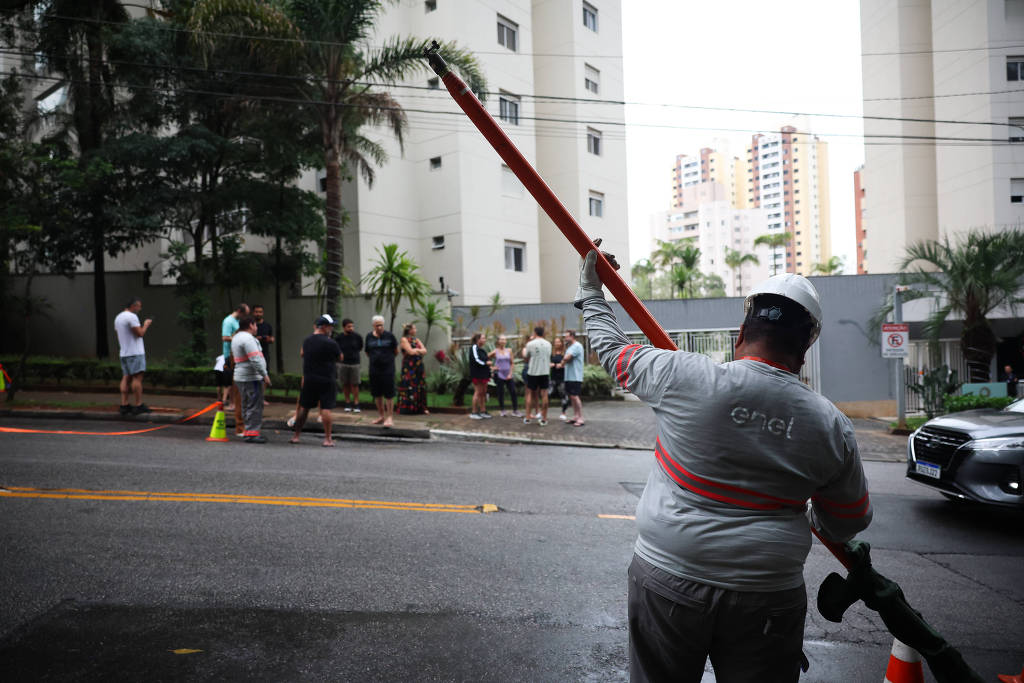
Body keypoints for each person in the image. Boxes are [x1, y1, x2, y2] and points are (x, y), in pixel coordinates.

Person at [573, 243, 872, 683]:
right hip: (767, 596)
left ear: (741, 332)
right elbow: (847, 521)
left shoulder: (681, 375)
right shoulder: (831, 426)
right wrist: (811, 515)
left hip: (668, 576)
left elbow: (609, 347)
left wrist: (590, 290)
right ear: (805, 349)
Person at [291, 315, 343, 447]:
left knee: (304, 407)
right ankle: (327, 439)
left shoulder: (307, 340)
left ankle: (296, 436)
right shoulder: (330, 342)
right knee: (326, 408)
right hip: (326, 378)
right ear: (324, 327)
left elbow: (302, 354)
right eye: (330, 326)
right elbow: (340, 357)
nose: (331, 329)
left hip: (310, 378)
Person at [231, 315, 271, 443]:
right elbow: (255, 359)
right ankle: (253, 433)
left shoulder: (236, 337)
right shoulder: (248, 339)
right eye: (255, 325)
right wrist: (265, 375)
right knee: (255, 405)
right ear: (250, 325)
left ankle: (247, 431)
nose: (257, 327)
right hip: (251, 377)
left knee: (246, 404)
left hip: (240, 377)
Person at [114, 297, 153, 415]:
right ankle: (138, 404)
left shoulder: (118, 317)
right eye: (139, 306)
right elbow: (140, 333)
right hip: (135, 352)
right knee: (137, 378)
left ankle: (124, 404)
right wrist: (146, 324)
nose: (140, 309)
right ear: (133, 306)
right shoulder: (132, 317)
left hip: (124, 352)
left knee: (126, 377)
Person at [365, 315, 399, 427]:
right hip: (374, 369)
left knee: (389, 394)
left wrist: (386, 359)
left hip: (388, 369)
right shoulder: (369, 337)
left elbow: (396, 351)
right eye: (377, 325)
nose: (379, 327)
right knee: (377, 393)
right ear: (373, 326)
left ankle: (390, 417)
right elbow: (367, 352)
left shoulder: (389, 336)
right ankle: (381, 416)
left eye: (381, 325)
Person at [521, 325, 552, 425]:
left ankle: (527, 417)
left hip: (533, 372)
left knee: (529, 393)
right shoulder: (548, 344)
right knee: (544, 394)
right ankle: (544, 418)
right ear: (543, 333)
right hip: (545, 371)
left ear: (535, 333)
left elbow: (526, 357)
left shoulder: (530, 344)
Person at [220, 303, 249, 410]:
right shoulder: (228, 321)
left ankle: (231, 403)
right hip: (230, 355)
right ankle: (231, 403)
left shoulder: (237, 321)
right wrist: (240, 339)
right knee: (231, 380)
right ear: (240, 312)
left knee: (234, 380)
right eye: (245, 314)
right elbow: (225, 337)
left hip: (236, 355)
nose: (245, 317)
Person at [398, 322, 430, 415]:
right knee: (410, 385)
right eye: (414, 328)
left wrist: (417, 350)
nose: (416, 330)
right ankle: (409, 408)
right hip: (409, 367)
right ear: (410, 330)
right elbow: (410, 352)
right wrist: (418, 351)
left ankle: (421, 408)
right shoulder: (404, 339)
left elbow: (425, 350)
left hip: (418, 366)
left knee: (419, 385)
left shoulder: (417, 340)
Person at [336, 318, 363, 412]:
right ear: (344, 327)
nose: (351, 328)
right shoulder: (339, 337)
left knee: (355, 384)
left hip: (355, 363)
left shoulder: (357, 337)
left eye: (352, 326)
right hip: (343, 364)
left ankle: (356, 403)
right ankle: (347, 402)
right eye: (349, 326)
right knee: (345, 383)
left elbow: (360, 347)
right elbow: (337, 348)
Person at [488, 334, 520, 417]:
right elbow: (486, 358)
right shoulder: (495, 351)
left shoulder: (509, 350)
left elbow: (512, 363)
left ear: (506, 341)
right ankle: (502, 410)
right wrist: (492, 367)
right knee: (500, 393)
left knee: (513, 392)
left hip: (508, 374)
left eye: (504, 339)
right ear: (498, 341)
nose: (503, 341)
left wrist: (510, 373)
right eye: (501, 339)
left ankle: (515, 410)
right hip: (499, 374)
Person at [562, 330, 586, 427]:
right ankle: (576, 416)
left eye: (566, 336)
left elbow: (567, 358)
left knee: (575, 396)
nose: (565, 338)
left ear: (572, 336)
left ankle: (581, 418)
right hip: (569, 376)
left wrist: (563, 360)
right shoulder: (570, 347)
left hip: (575, 376)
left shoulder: (577, 346)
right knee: (572, 397)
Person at [468, 332, 492, 419]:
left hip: (484, 374)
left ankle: (483, 410)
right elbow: (476, 360)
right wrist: (486, 363)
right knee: (477, 392)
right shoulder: (474, 348)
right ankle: (474, 412)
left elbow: (485, 359)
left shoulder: (481, 349)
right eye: (483, 338)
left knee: (483, 393)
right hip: (477, 374)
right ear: (478, 339)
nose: (484, 340)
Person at [549, 337, 567, 420]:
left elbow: (568, 363)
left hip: (562, 377)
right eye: (555, 342)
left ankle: (563, 413)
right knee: (548, 394)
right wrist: (550, 364)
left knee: (563, 395)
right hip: (553, 377)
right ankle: (544, 412)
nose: (556, 344)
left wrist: (562, 365)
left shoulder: (565, 353)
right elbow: (547, 361)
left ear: (561, 343)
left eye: (558, 342)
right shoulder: (551, 353)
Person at [253, 304, 275, 370]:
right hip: (252, 353)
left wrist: (270, 339)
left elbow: (272, 338)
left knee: (265, 371)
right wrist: (256, 339)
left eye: (260, 312)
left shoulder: (267, 326)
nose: (258, 314)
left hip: (264, 353)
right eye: (256, 312)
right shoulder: (250, 325)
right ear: (253, 313)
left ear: (263, 313)